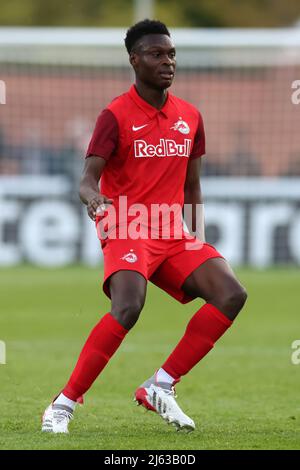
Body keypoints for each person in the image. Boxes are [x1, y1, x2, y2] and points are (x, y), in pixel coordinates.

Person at [42, 19, 247, 434]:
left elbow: (193, 187)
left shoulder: (190, 116)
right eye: (156, 55)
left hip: (173, 231)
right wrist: (94, 199)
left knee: (230, 294)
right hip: (128, 224)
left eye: (171, 54)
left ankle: (161, 384)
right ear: (134, 60)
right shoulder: (114, 115)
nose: (167, 62)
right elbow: (86, 179)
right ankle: (62, 404)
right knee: (129, 306)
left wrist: (198, 239)